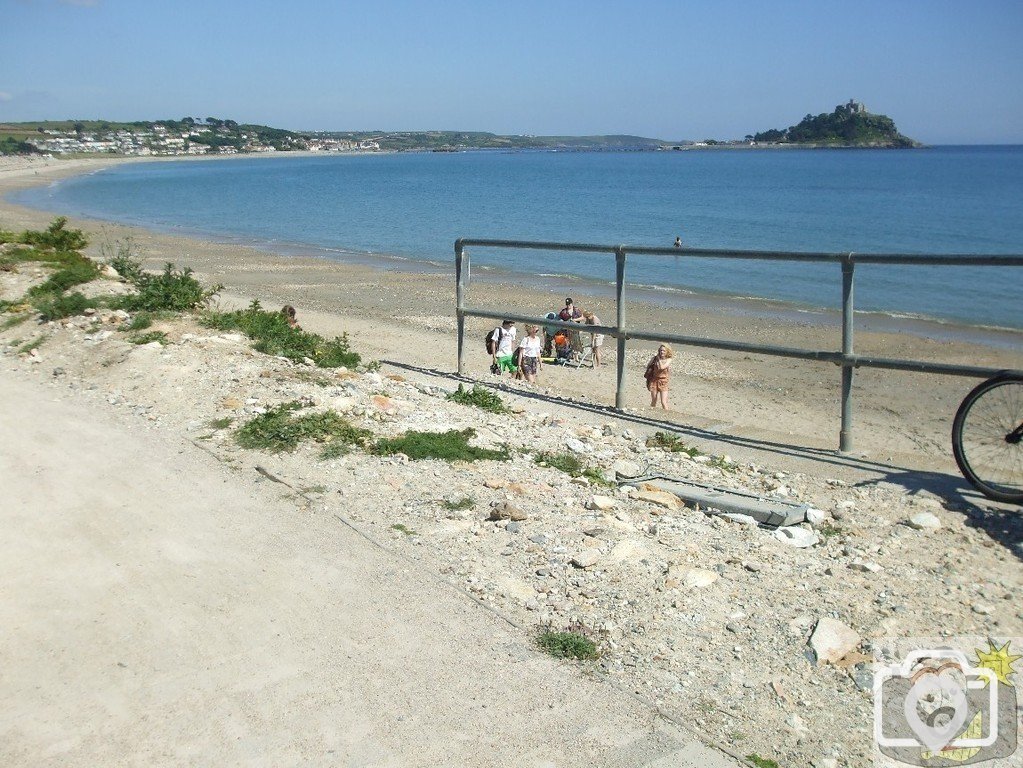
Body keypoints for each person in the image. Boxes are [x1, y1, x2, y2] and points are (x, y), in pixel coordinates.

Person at [644, 344, 673, 409]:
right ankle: (651, 413)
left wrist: (659, 359)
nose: (662, 352)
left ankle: (667, 415)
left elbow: (662, 367)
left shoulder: (668, 359)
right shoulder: (654, 359)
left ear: (667, 352)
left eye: (664, 351)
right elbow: (648, 366)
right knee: (654, 400)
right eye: (660, 350)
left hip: (663, 382)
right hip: (654, 380)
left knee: (663, 401)